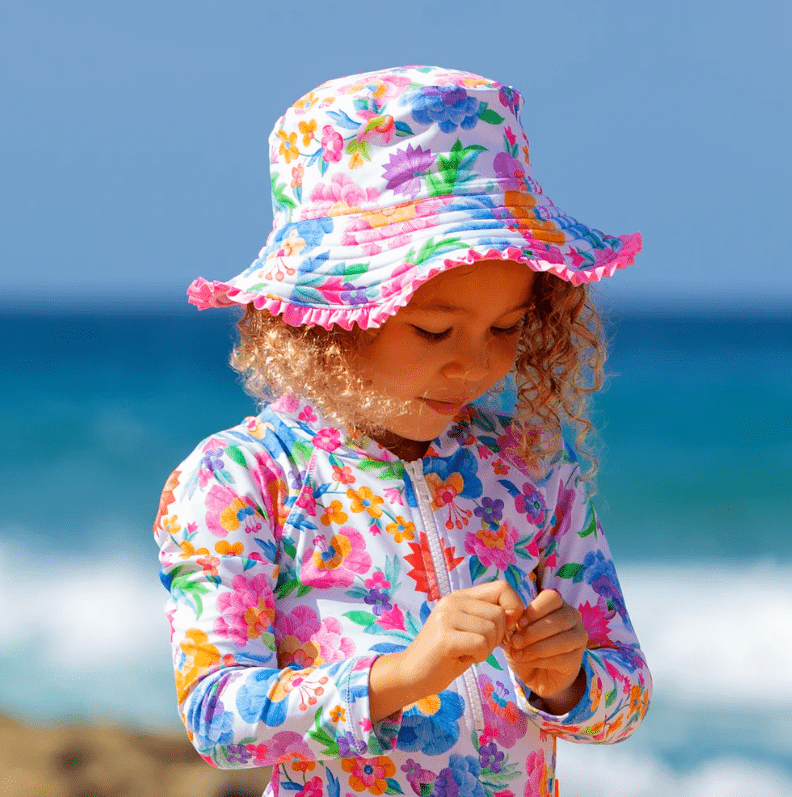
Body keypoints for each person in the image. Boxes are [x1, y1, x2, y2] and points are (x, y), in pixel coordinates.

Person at [154, 65, 651, 797]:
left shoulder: (532, 470)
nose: (474, 365)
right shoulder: (244, 478)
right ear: (329, 322)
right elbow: (217, 716)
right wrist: (402, 675)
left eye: (507, 327)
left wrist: (568, 682)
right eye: (434, 330)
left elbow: (626, 693)